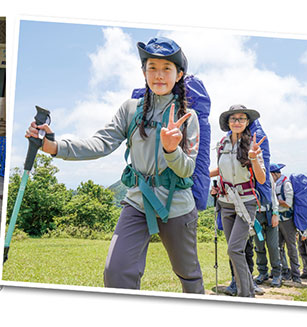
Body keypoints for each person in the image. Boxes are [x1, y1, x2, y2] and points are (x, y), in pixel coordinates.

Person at [27, 37, 204, 292]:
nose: (159, 75)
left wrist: (171, 149)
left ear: (179, 75)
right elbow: (101, 143)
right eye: (152, 67)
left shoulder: (188, 117)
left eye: (167, 68)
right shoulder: (131, 110)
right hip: (138, 201)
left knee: (188, 274)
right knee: (116, 271)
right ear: (144, 72)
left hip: (177, 206)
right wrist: (55, 147)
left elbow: (187, 169)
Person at [210, 104, 267, 297]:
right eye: (233, 119)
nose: (237, 122)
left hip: (246, 202)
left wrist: (252, 158)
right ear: (228, 123)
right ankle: (247, 291)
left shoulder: (253, 145)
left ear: (247, 122)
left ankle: (245, 295)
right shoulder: (221, 145)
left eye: (241, 119)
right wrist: (196, 174)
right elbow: (220, 169)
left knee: (234, 250)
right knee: (236, 250)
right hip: (225, 202)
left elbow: (261, 179)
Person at [271, 163, 303, 283]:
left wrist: (275, 201)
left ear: (275, 174)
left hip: (287, 221)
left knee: (291, 248)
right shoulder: (275, 183)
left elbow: (288, 203)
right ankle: (284, 271)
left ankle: (296, 275)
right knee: (278, 247)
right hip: (278, 220)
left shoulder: (286, 184)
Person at [253, 170, 283, 288]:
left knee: (272, 245)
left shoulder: (266, 174)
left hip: (270, 213)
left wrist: (276, 213)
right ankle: (262, 272)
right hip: (256, 215)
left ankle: (277, 274)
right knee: (259, 244)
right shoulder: (248, 172)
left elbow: (273, 194)